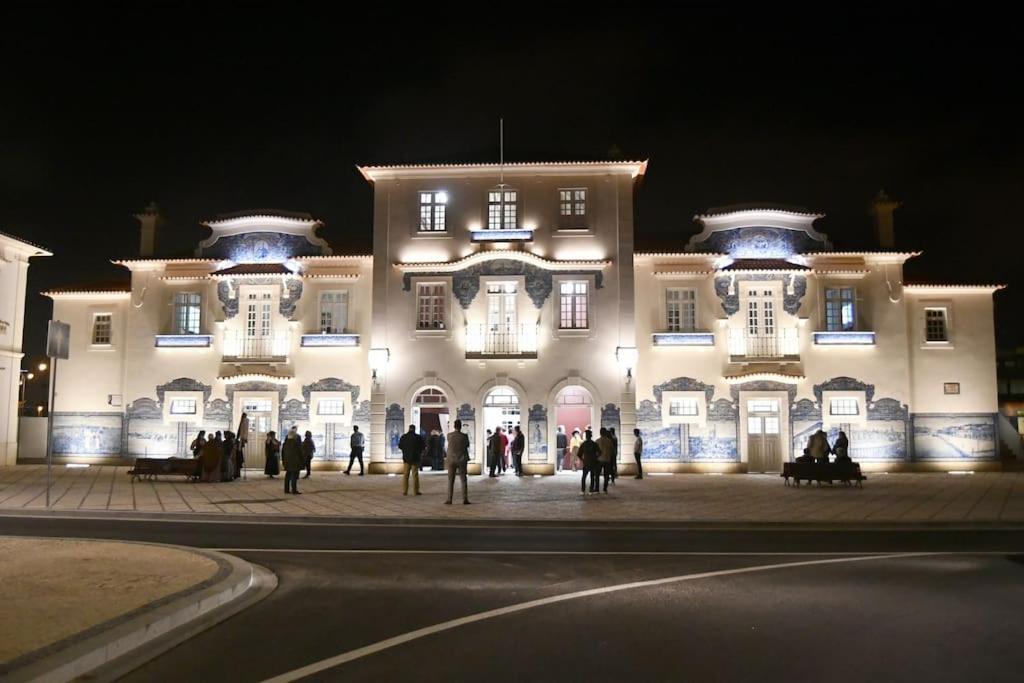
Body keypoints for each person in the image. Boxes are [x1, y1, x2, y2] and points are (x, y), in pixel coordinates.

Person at [444, 419, 471, 505]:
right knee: (463, 479)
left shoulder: (449, 435)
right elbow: (467, 445)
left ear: (454, 426)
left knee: (450, 480)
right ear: (460, 426)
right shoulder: (464, 436)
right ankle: (465, 499)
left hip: (451, 459)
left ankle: (449, 499)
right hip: (462, 459)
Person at [398, 424, 424, 495]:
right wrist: (419, 452)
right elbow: (423, 446)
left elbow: (400, 446)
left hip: (406, 458)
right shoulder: (418, 437)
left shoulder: (404, 437)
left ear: (409, 429)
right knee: (415, 475)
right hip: (415, 458)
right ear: (414, 429)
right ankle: (416, 491)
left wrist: (405, 451)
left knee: (406, 475)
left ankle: (405, 491)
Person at [281, 427, 303, 495]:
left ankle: (286, 489)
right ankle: (294, 490)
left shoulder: (285, 444)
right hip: (295, 462)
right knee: (294, 476)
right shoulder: (295, 444)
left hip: (287, 461)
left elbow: (282, 453)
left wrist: (284, 461)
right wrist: (302, 461)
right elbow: (300, 452)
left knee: (288, 475)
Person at [578, 429, 600, 494]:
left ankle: (583, 490)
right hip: (593, 462)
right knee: (592, 476)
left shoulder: (583, 444)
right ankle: (591, 489)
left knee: (584, 477)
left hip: (586, 462)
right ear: (591, 436)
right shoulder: (594, 444)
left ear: (586, 436)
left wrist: (583, 460)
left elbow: (579, 454)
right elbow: (600, 452)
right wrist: (596, 457)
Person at [596, 428, 614, 493]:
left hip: (599, 460)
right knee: (606, 475)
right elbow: (612, 451)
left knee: (597, 475)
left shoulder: (597, 441)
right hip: (607, 460)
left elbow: (595, 451)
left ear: (600, 433)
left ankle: (597, 489)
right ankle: (605, 489)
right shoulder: (609, 441)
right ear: (605, 433)